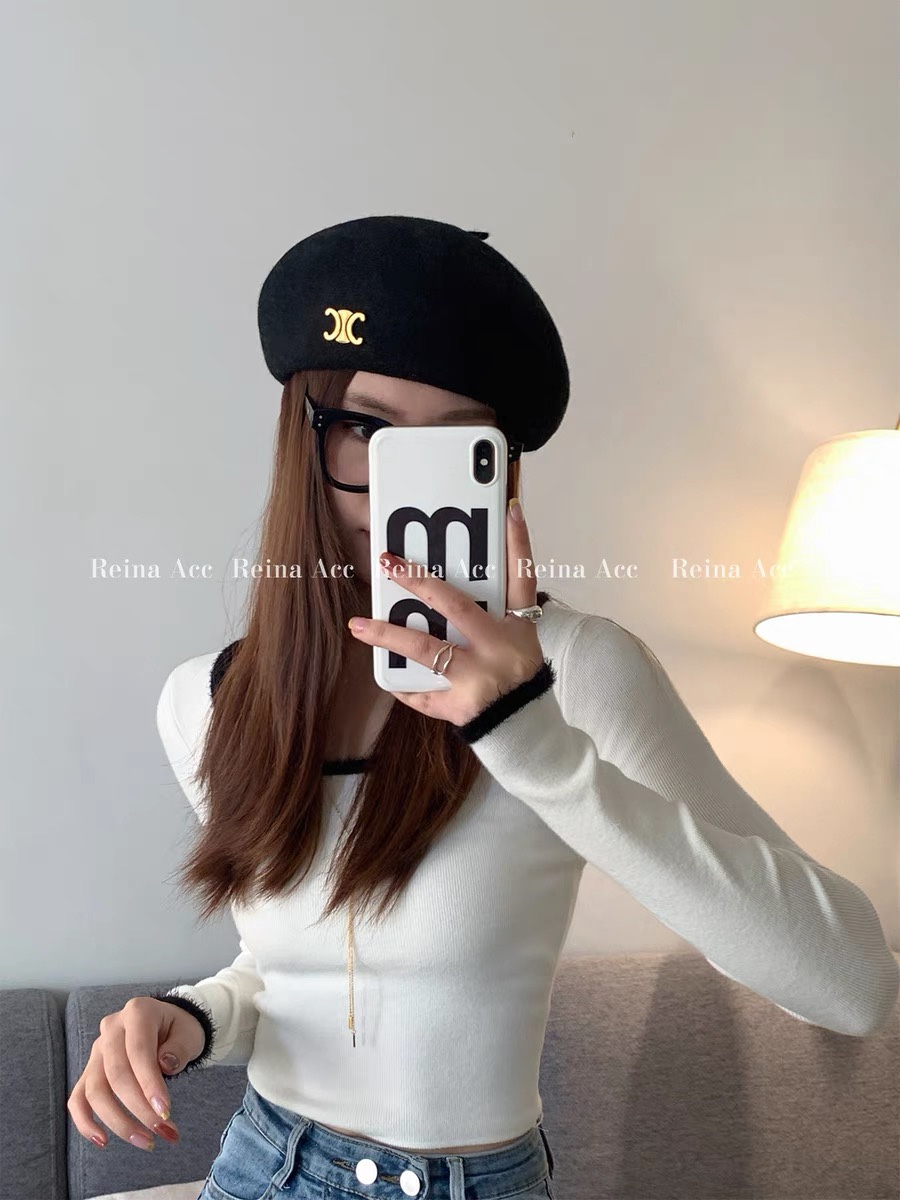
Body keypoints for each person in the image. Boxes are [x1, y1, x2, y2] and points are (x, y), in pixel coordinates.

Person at [68, 216, 899, 1200]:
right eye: (367, 430)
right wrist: (194, 1019)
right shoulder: (207, 705)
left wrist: (533, 741)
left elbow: (851, 985)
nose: (402, 490)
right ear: (304, 437)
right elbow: (298, 972)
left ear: (502, 468)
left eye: (456, 446)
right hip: (261, 1166)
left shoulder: (580, 673)